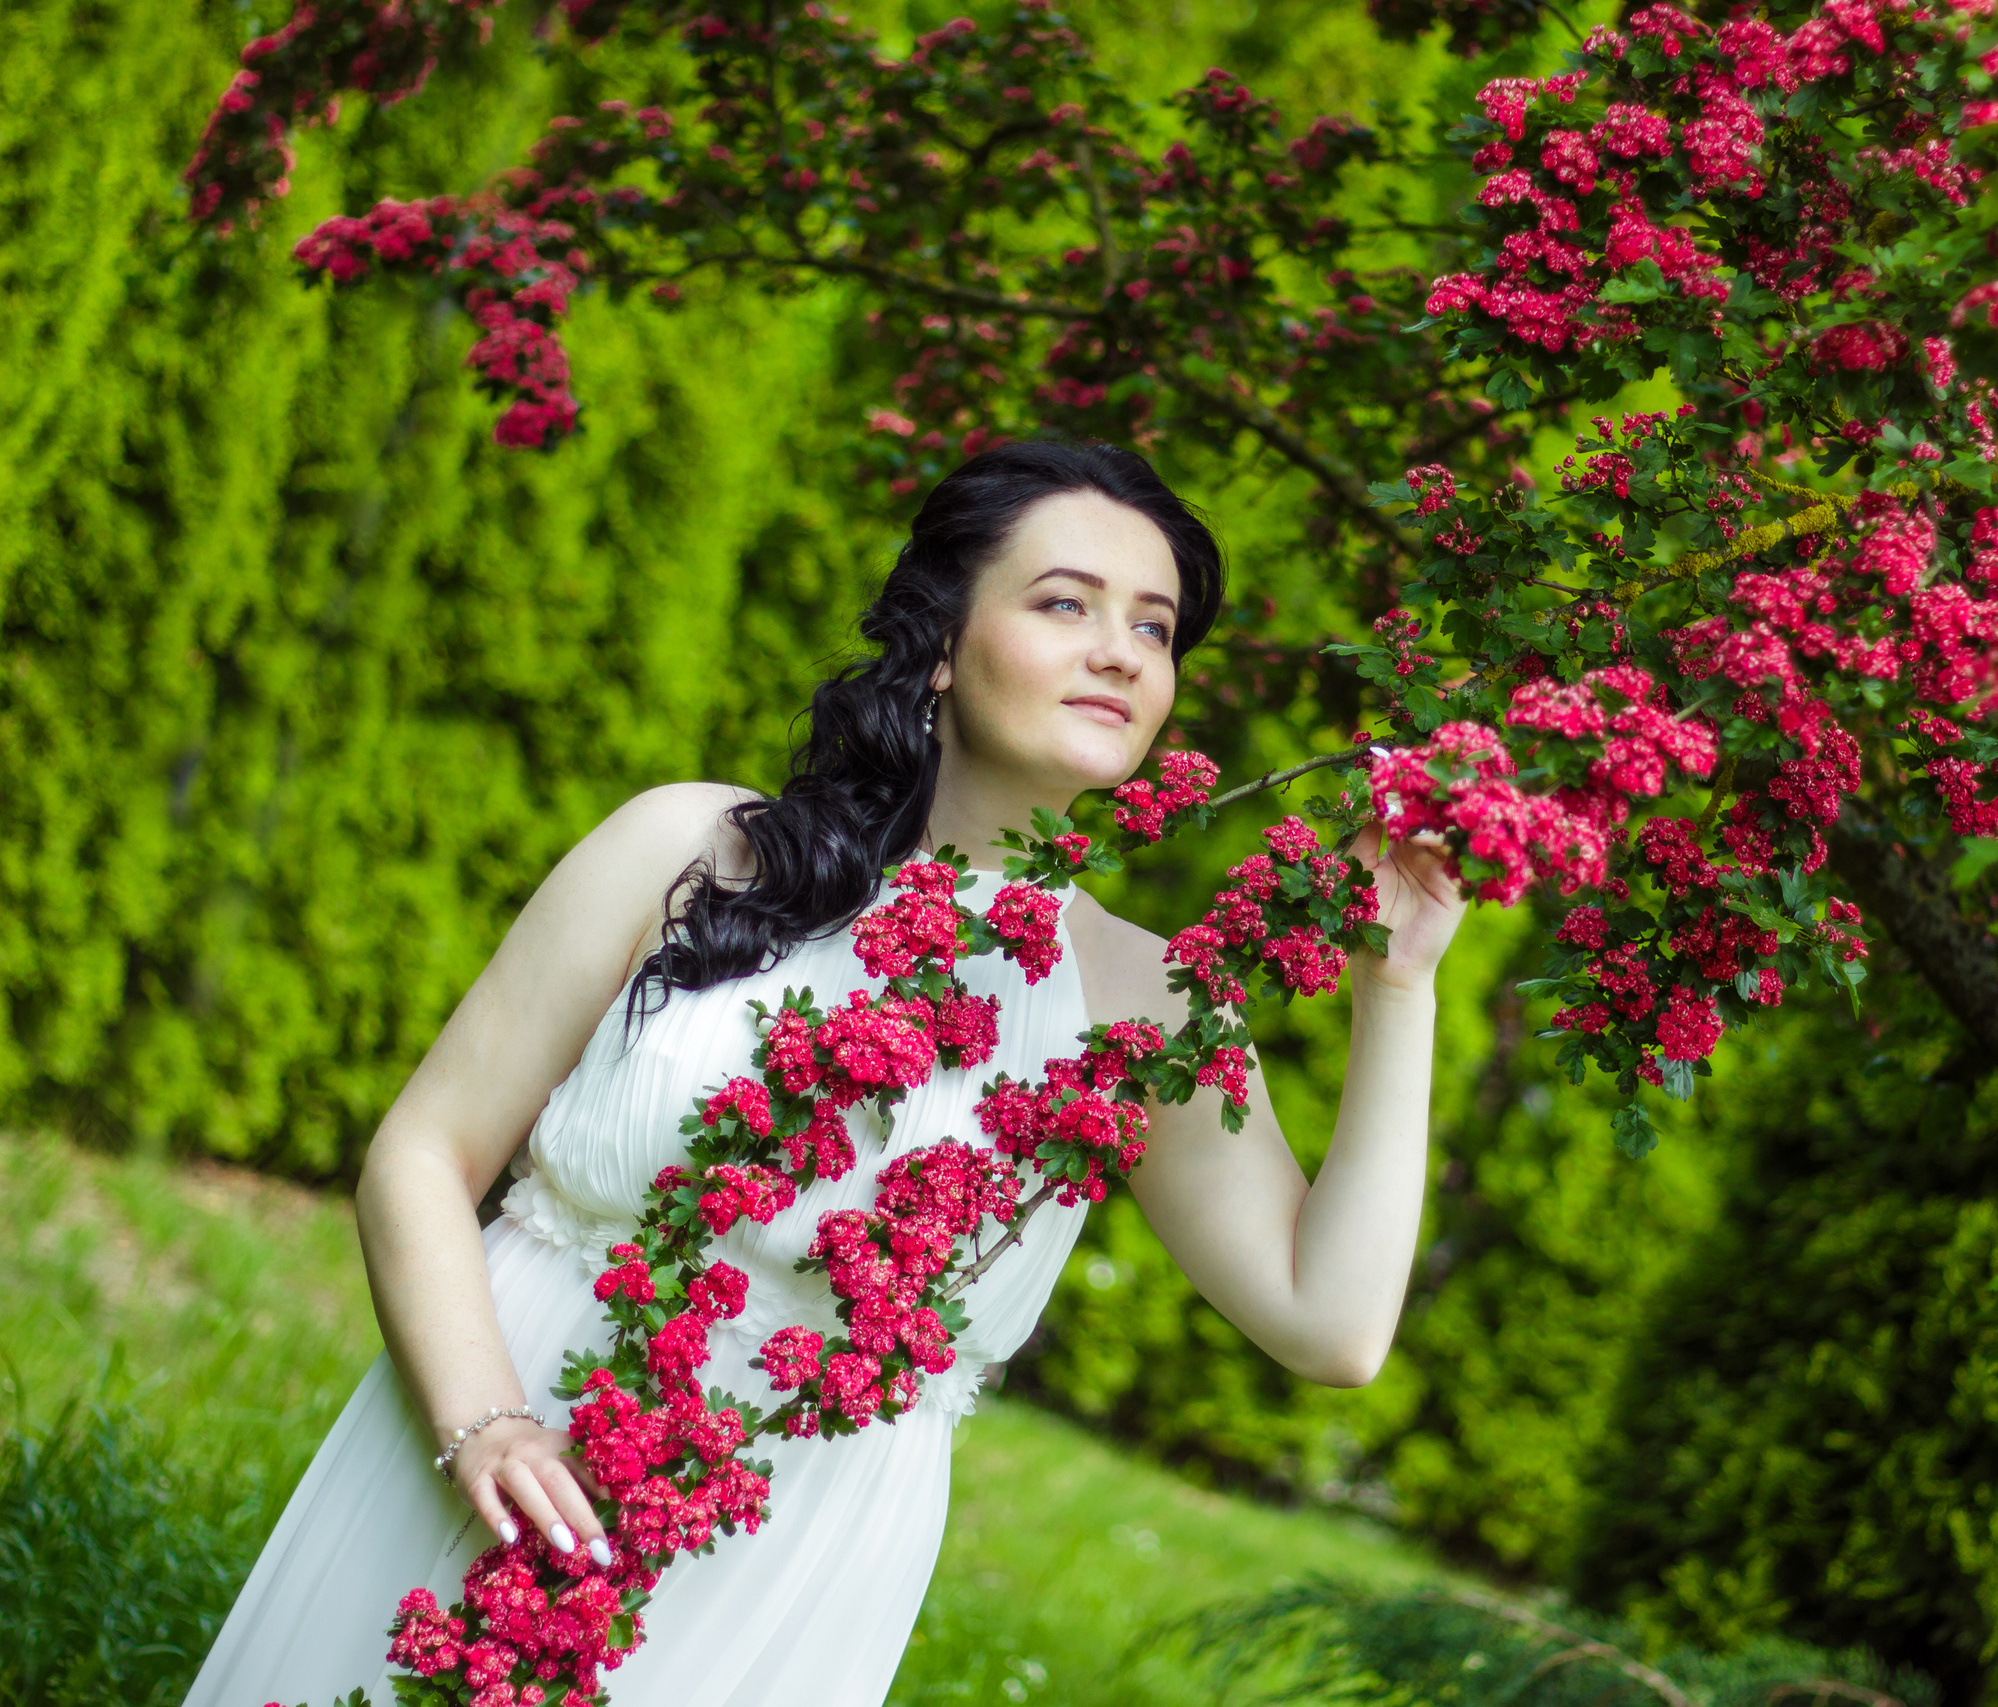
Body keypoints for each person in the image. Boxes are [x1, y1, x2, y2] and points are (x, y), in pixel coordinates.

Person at [185, 440, 1465, 1705]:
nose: (1122, 651)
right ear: (945, 646)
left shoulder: (1145, 1006)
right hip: (510, 1446)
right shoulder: (697, 849)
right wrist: (485, 1422)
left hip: (784, 1556)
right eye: (1065, 603)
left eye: (1156, 626)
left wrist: (1396, 987)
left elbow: (1331, 1325)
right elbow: (424, 1153)